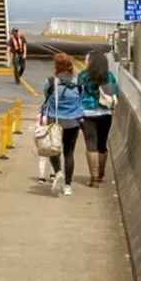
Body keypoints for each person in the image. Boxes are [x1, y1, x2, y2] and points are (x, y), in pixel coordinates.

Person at [39, 54, 84, 196]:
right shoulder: (78, 82)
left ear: (56, 66)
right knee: (69, 153)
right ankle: (68, 186)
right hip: (73, 122)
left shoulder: (50, 82)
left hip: (55, 121)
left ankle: (58, 172)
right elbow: (81, 98)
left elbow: (46, 97)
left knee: (54, 150)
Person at [78, 49, 120, 187]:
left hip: (88, 113)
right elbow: (116, 93)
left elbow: (78, 93)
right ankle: (101, 174)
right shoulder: (109, 76)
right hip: (105, 113)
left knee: (91, 145)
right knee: (102, 144)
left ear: (91, 61)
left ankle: (94, 178)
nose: (85, 61)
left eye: (86, 59)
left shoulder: (83, 76)